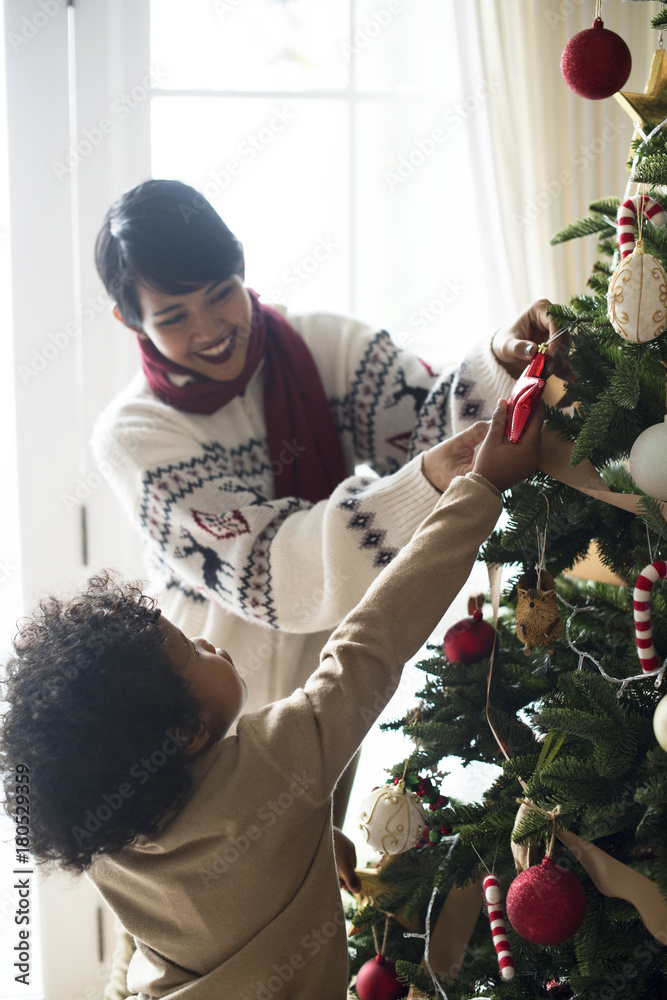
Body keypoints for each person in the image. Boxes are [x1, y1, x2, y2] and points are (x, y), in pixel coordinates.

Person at [0, 400, 543, 1000]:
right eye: (192, 650)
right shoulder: (276, 762)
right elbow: (372, 643)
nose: (208, 639)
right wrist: (481, 488)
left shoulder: (109, 836)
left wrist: (300, 840)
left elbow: (183, 916)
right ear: (185, 732)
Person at [92, 179, 567, 736]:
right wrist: (426, 481)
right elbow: (269, 570)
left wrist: (497, 362)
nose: (210, 329)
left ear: (242, 265)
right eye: (173, 318)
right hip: (204, 711)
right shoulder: (136, 435)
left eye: (220, 293)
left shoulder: (326, 346)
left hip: (337, 675)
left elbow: (426, 424)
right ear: (130, 322)